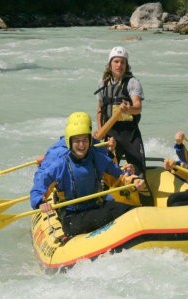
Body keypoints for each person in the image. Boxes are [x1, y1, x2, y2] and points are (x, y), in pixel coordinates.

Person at [30, 120, 145, 238]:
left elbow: (119, 175)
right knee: (111, 214)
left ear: (90, 141)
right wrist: (40, 202)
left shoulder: (98, 158)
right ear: (70, 142)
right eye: (77, 141)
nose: (82, 145)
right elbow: (38, 186)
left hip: (97, 206)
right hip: (72, 217)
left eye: (85, 140)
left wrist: (133, 181)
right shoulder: (60, 165)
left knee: (133, 211)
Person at [93, 46, 146, 175]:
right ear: (110, 64)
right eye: (116, 61)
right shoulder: (103, 83)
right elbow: (100, 109)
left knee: (138, 170)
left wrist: (129, 109)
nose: (119, 65)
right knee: (106, 172)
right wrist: (100, 130)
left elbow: (138, 107)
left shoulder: (132, 82)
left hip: (130, 134)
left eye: (123, 62)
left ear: (126, 65)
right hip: (110, 134)